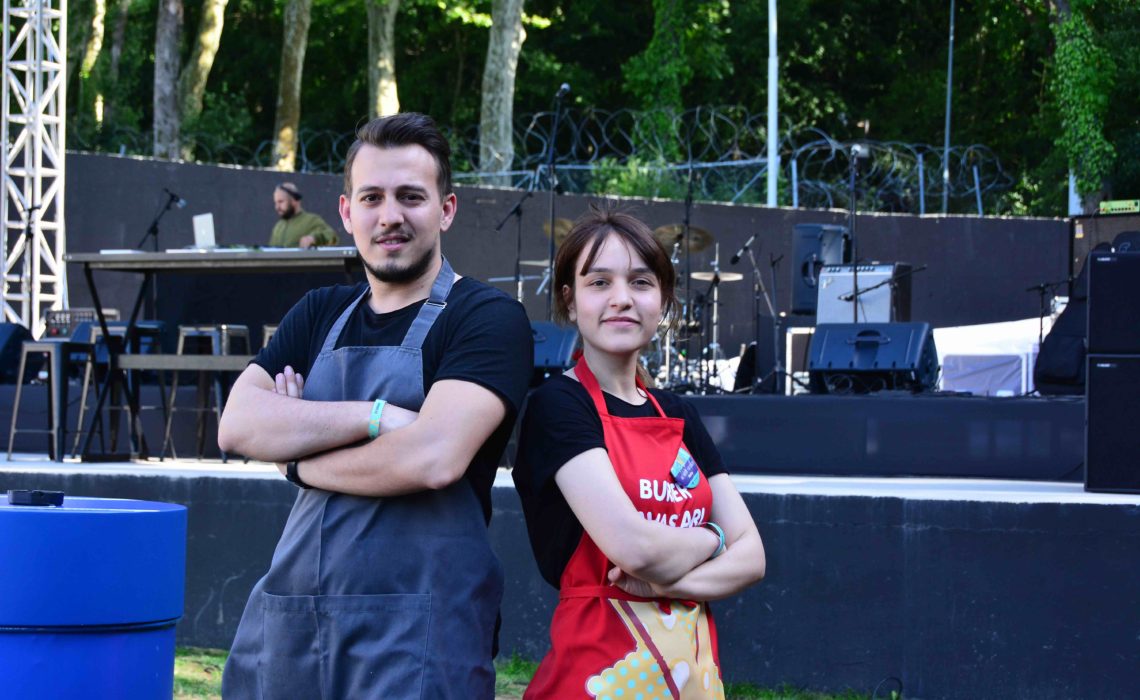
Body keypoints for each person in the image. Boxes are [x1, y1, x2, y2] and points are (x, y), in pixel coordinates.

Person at [220, 112, 534, 698]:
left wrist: (296, 459)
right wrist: (377, 418)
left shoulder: (486, 318)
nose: (390, 215)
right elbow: (237, 425)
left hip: (423, 640)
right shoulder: (318, 312)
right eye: (372, 198)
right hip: (296, 624)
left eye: (411, 196)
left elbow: (432, 459)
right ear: (347, 212)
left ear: (446, 209)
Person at [513, 207, 766, 699]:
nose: (622, 299)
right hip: (594, 680)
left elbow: (753, 557)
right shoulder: (558, 406)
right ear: (570, 301)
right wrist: (714, 538)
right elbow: (634, 550)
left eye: (641, 282)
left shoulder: (679, 413)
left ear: (663, 300)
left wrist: (667, 585)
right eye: (599, 282)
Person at [267, 181, 340, 247]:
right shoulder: (278, 227)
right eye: (275, 203)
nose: (277, 207)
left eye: (281, 201)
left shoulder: (311, 220)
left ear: (294, 200)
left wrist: (314, 238)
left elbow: (333, 237)